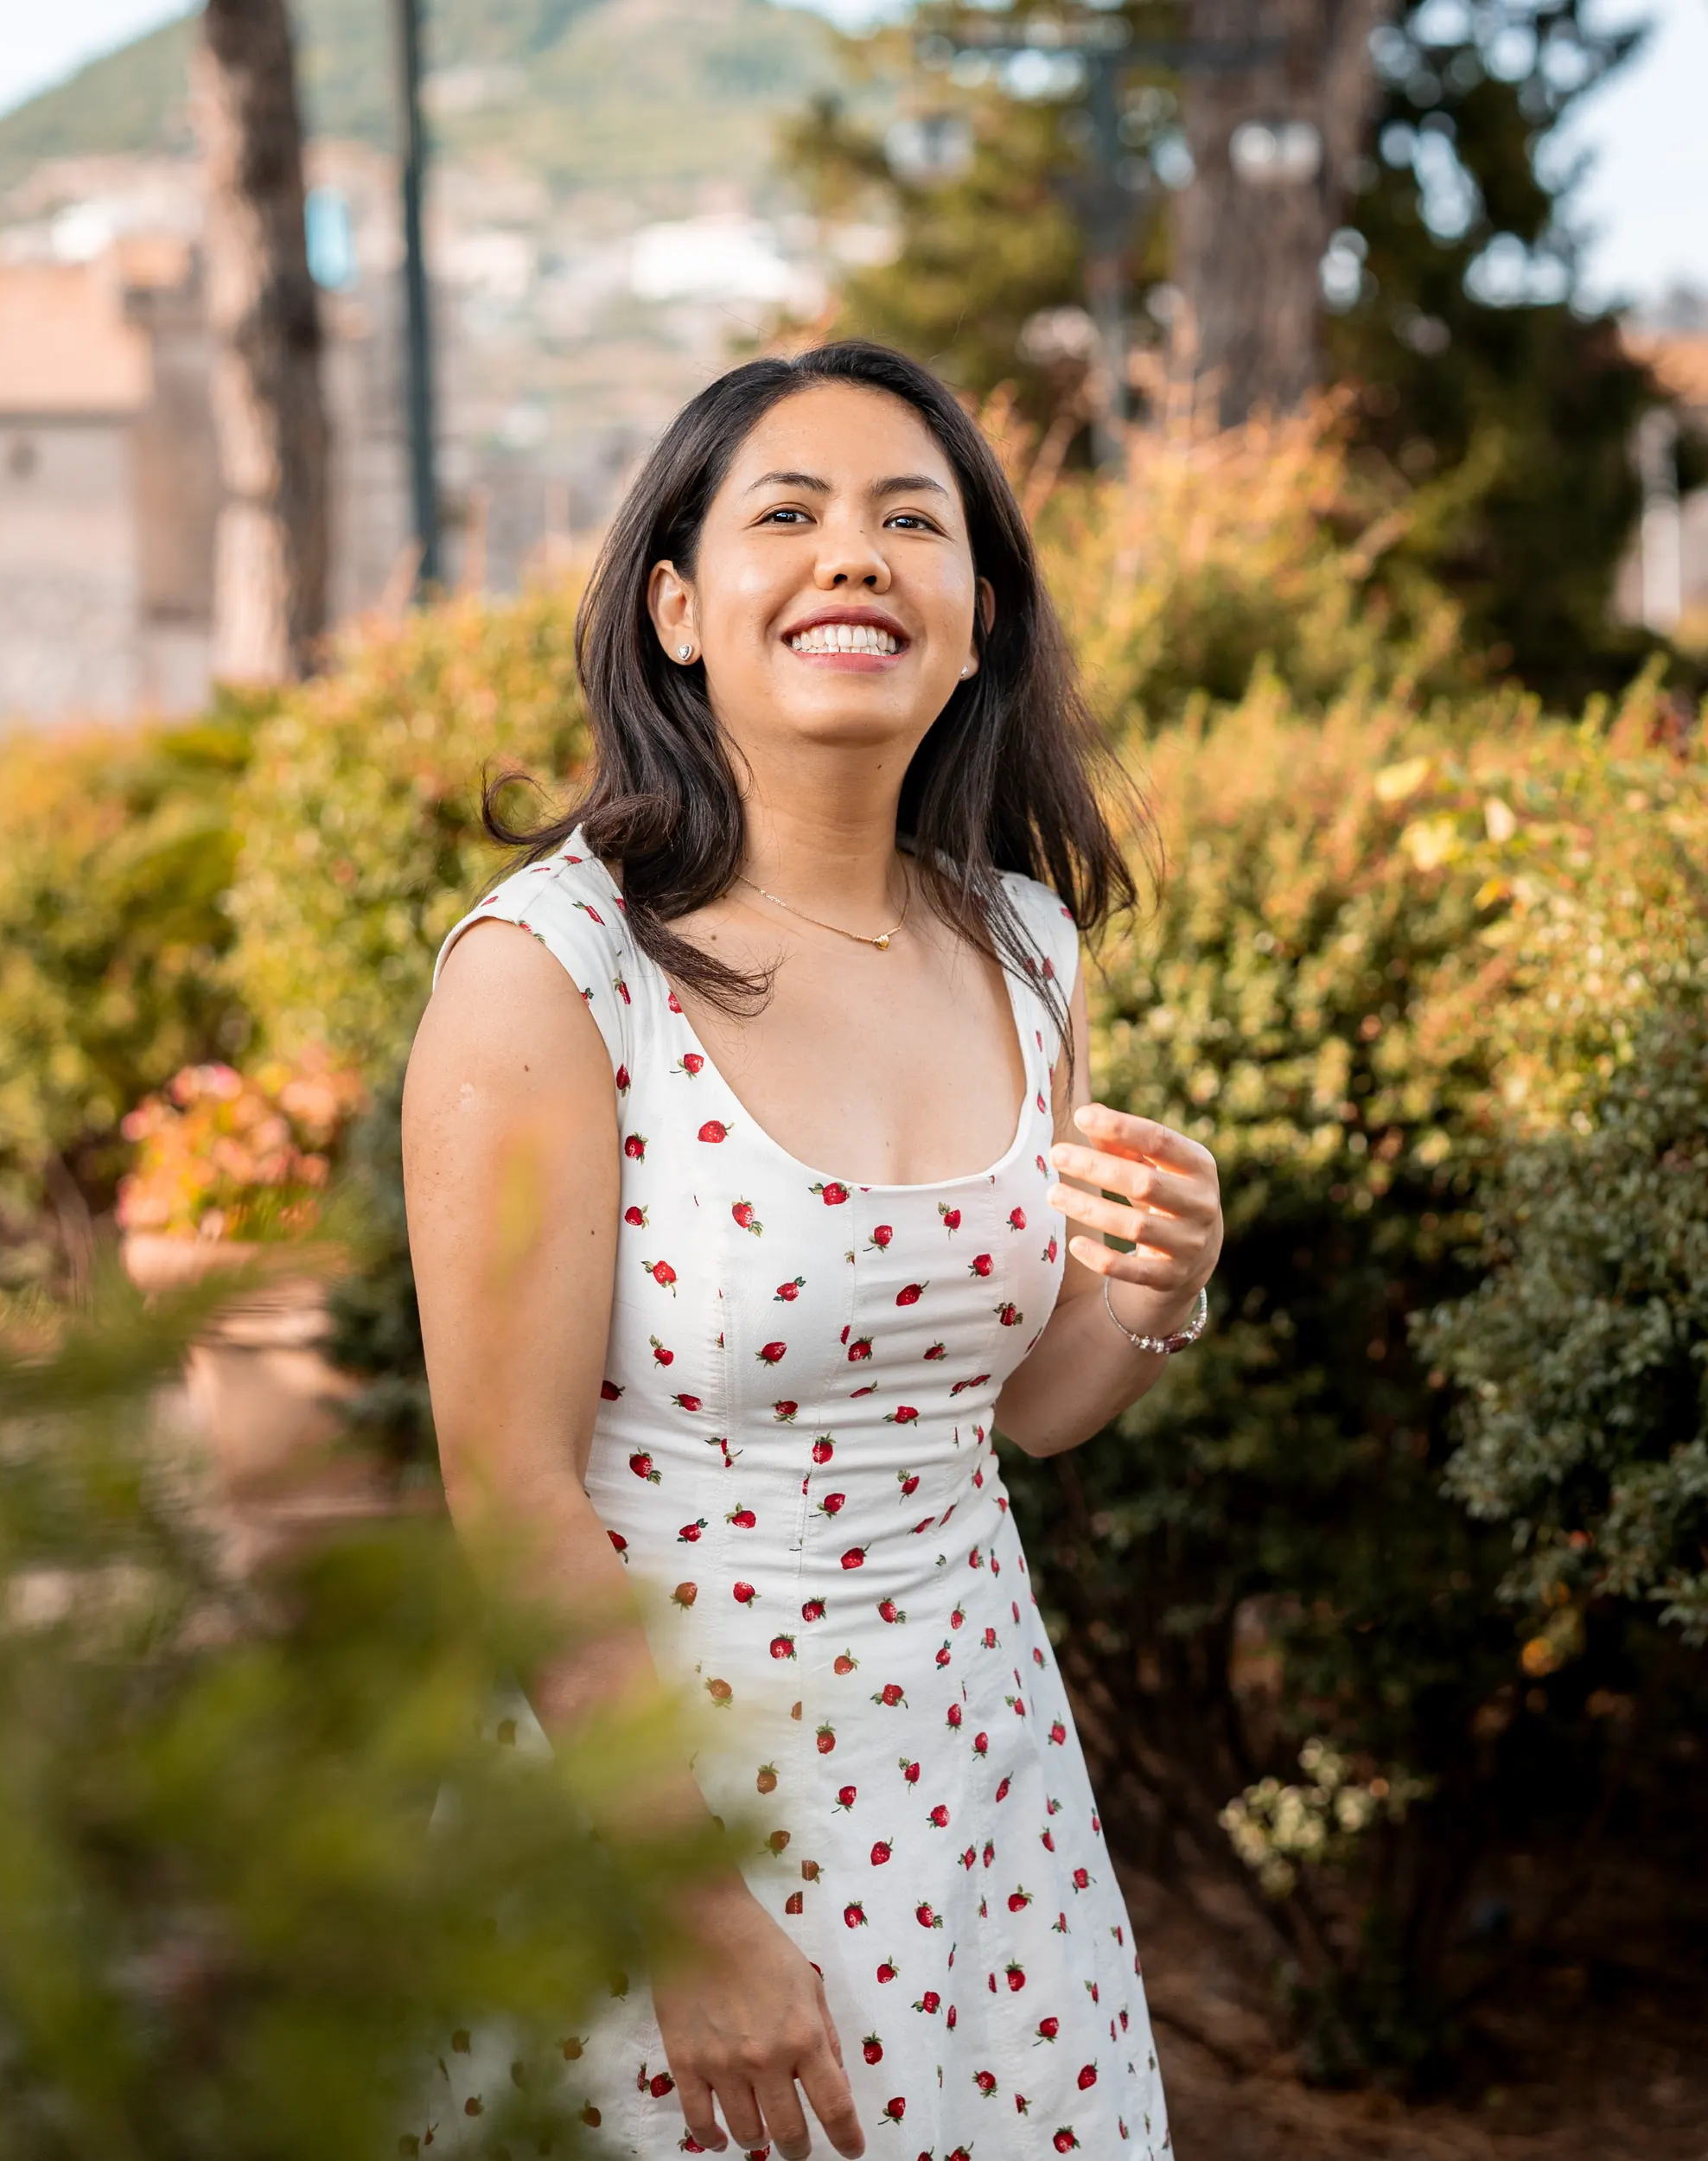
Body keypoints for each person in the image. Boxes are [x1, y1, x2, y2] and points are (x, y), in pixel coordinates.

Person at [402, 340, 1221, 2160]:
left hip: (987, 1776)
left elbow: (1026, 1410)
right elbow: (507, 1478)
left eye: (907, 520)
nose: (854, 555)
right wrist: (694, 1916)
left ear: (978, 613)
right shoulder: (552, 970)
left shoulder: (1024, 943)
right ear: (679, 606)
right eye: (791, 512)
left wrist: (1156, 1296)